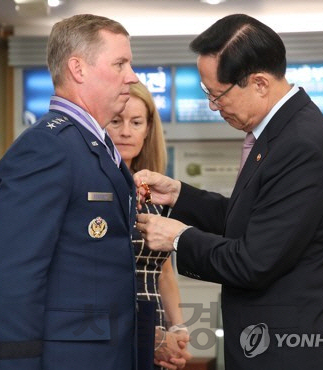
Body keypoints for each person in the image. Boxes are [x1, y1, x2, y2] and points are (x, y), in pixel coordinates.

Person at [134, 13, 323, 370]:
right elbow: (252, 220)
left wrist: (179, 238)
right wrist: (180, 196)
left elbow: (254, 261)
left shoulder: (301, 146)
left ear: (260, 83)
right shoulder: (280, 133)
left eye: (217, 94)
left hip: (292, 353)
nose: (212, 105)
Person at [0, 14, 141, 370]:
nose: (132, 76)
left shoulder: (91, 145)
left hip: (105, 352)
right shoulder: (47, 147)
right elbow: (12, 272)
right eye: (120, 64)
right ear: (78, 69)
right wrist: (16, 363)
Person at [106, 81, 191, 370]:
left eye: (136, 122)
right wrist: (151, 338)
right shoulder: (95, 189)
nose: (126, 131)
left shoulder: (156, 192)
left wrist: (177, 328)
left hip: (155, 325)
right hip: (109, 329)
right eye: (116, 121)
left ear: (148, 129)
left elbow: (164, 269)